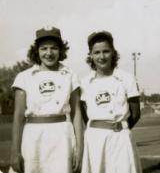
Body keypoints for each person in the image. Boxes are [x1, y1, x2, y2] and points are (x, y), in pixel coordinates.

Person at [10, 27, 83, 173]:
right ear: (36, 50)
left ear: (61, 50)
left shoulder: (70, 75)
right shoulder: (24, 77)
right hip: (33, 137)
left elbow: (76, 114)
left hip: (62, 136)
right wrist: (14, 151)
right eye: (44, 48)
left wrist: (80, 149)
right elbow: (18, 117)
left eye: (54, 48)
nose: (49, 53)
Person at [80, 31, 142, 173]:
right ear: (90, 55)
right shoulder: (85, 82)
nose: (101, 57)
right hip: (95, 139)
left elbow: (136, 113)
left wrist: (119, 128)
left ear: (113, 52)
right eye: (96, 53)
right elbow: (85, 115)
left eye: (106, 51)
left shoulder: (126, 78)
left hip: (121, 138)